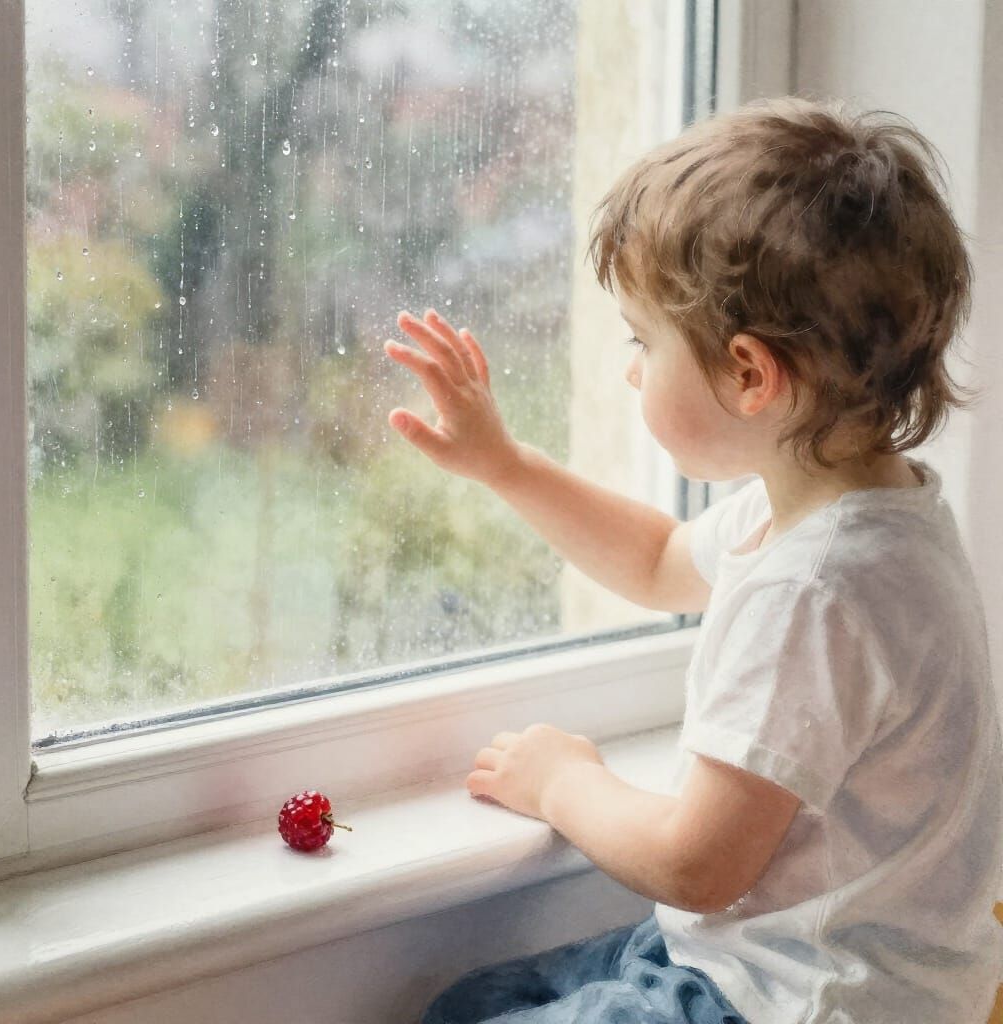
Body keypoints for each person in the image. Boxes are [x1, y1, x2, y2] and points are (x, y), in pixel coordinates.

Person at [383, 94, 1003, 1023]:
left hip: (797, 999)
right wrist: (507, 466)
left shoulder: (820, 589)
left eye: (645, 340)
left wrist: (565, 780)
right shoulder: (858, 508)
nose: (632, 368)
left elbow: (694, 865)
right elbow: (662, 558)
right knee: (472, 1004)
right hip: (780, 958)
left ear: (751, 375)